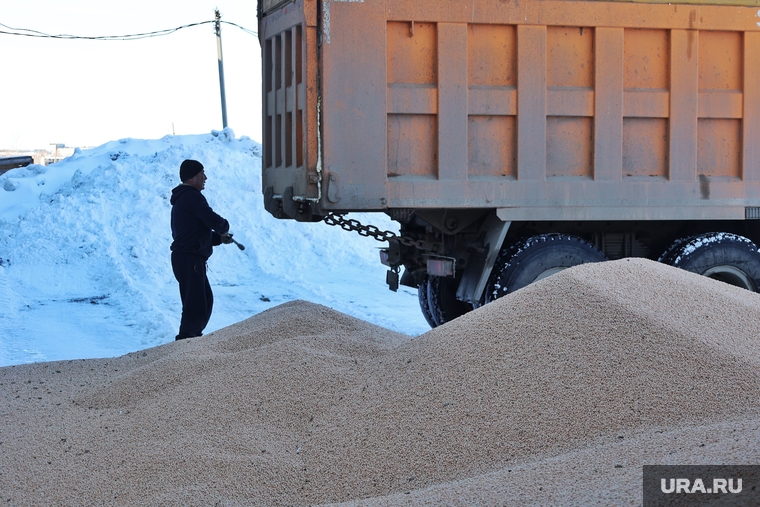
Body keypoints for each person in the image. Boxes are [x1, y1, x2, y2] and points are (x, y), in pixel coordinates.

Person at [170, 159, 233, 340]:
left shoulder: (183, 199)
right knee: (195, 305)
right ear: (191, 177)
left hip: (187, 259)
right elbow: (211, 219)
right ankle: (186, 343)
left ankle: (192, 339)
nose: (205, 177)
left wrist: (218, 238)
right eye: (201, 173)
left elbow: (193, 234)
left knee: (204, 301)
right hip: (190, 260)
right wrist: (223, 227)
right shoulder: (191, 196)